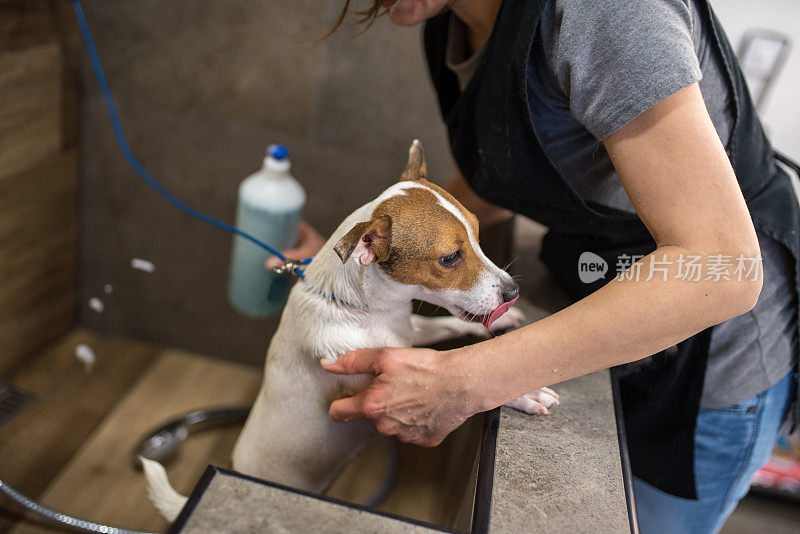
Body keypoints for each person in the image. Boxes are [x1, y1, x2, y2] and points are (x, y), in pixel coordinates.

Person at [269, 1, 799, 532]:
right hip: (606, 291)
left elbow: (725, 266)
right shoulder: (450, 19)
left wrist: (469, 380)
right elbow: (497, 176)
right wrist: (345, 268)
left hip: (710, 359)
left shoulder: (606, 11)